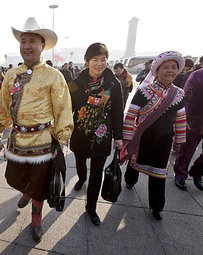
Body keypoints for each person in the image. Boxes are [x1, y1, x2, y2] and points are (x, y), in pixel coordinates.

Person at [0, 17, 73, 241]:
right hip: (16, 140)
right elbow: (2, 105)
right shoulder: (11, 74)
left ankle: (36, 219)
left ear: (42, 45)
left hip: (43, 141)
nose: (27, 45)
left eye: (32, 41)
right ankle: (25, 190)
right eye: (23, 41)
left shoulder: (54, 75)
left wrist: (62, 139)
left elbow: (63, 108)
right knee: (13, 178)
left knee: (39, 185)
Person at [122, 51, 186, 220]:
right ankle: (130, 180)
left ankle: (156, 206)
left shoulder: (179, 94)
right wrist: (128, 137)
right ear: (157, 71)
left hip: (164, 142)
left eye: (174, 67)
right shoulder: (144, 91)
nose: (170, 71)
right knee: (134, 163)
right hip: (142, 139)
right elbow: (131, 114)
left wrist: (180, 140)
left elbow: (180, 117)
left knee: (159, 175)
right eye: (166, 67)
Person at [69, 42, 123, 226]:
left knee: (97, 172)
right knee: (80, 162)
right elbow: (68, 108)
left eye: (103, 59)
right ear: (86, 62)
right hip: (80, 134)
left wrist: (118, 136)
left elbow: (117, 111)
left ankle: (91, 208)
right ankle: (81, 178)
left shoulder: (114, 85)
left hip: (102, 136)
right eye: (95, 60)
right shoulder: (76, 83)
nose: (99, 63)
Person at [173, 67, 203, 191]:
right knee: (187, 150)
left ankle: (197, 172)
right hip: (195, 119)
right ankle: (180, 174)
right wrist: (183, 118)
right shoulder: (197, 75)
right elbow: (185, 98)